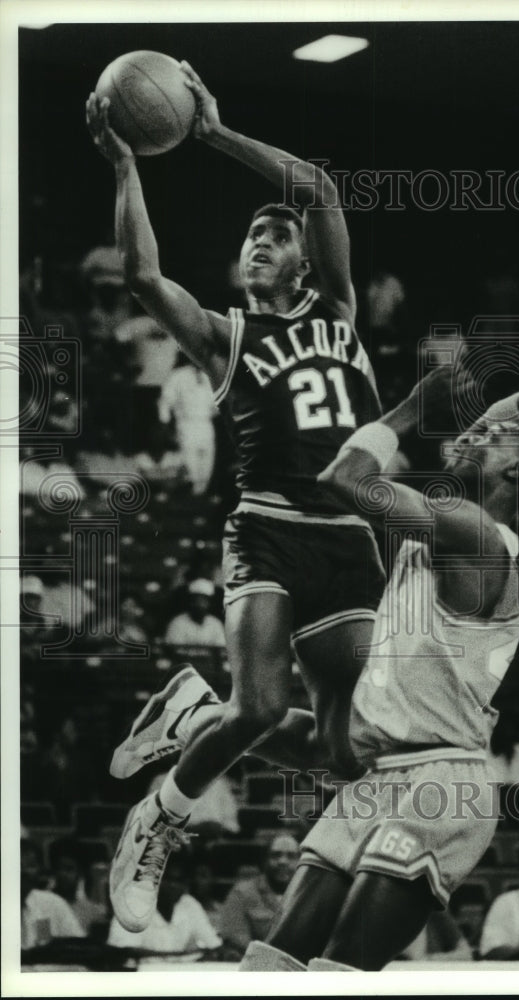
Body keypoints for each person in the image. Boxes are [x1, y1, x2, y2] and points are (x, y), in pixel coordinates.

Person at [86, 61, 386, 935]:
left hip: (348, 541)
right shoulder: (227, 337)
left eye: (276, 233)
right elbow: (144, 277)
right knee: (258, 707)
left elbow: (319, 187)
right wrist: (125, 164)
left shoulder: (338, 310)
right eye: (253, 234)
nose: (262, 238)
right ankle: (159, 818)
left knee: (350, 752)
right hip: (266, 530)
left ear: (301, 259)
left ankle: (189, 710)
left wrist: (212, 134)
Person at [234, 364, 519, 971]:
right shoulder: (449, 527)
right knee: (269, 968)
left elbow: (344, 478)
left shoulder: (476, 534)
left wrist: (408, 411)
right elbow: (498, 415)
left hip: (443, 783)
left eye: (490, 438)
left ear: (518, 472)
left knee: (335, 975)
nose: (470, 434)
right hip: (382, 774)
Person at [108, 854, 222, 956]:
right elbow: (123, 952)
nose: (174, 886)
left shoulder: (189, 903)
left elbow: (213, 945)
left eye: (180, 881)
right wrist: (182, 955)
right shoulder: (132, 903)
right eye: (169, 880)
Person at [216, 833, 300, 961]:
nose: (283, 861)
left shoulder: (311, 895)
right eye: (275, 855)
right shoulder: (242, 893)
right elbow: (237, 942)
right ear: (265, 860)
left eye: (291, 856)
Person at [158, 360, 218, 495]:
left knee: (207, 462)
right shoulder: (179, 375)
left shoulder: (210, 375)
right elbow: (166, 400)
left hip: (206, 423)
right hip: (186, 423)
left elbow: (216, 404)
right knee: (190, 463)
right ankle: (192, 495)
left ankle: (202, 495)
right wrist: (165, 423)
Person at [21, 840, 85, 950]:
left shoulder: (52, 903)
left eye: (30, 866)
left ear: (40, 871)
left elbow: (80, 950)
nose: (23, 872)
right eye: (17, 865)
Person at [164, 578, 226, 648]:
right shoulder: (177, 623)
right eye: (197, 601)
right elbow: (174, 650)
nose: (200, 605)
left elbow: (220, 649)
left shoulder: (216, 624)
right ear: (191, 602)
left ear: (209, 604)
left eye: (204, 601)